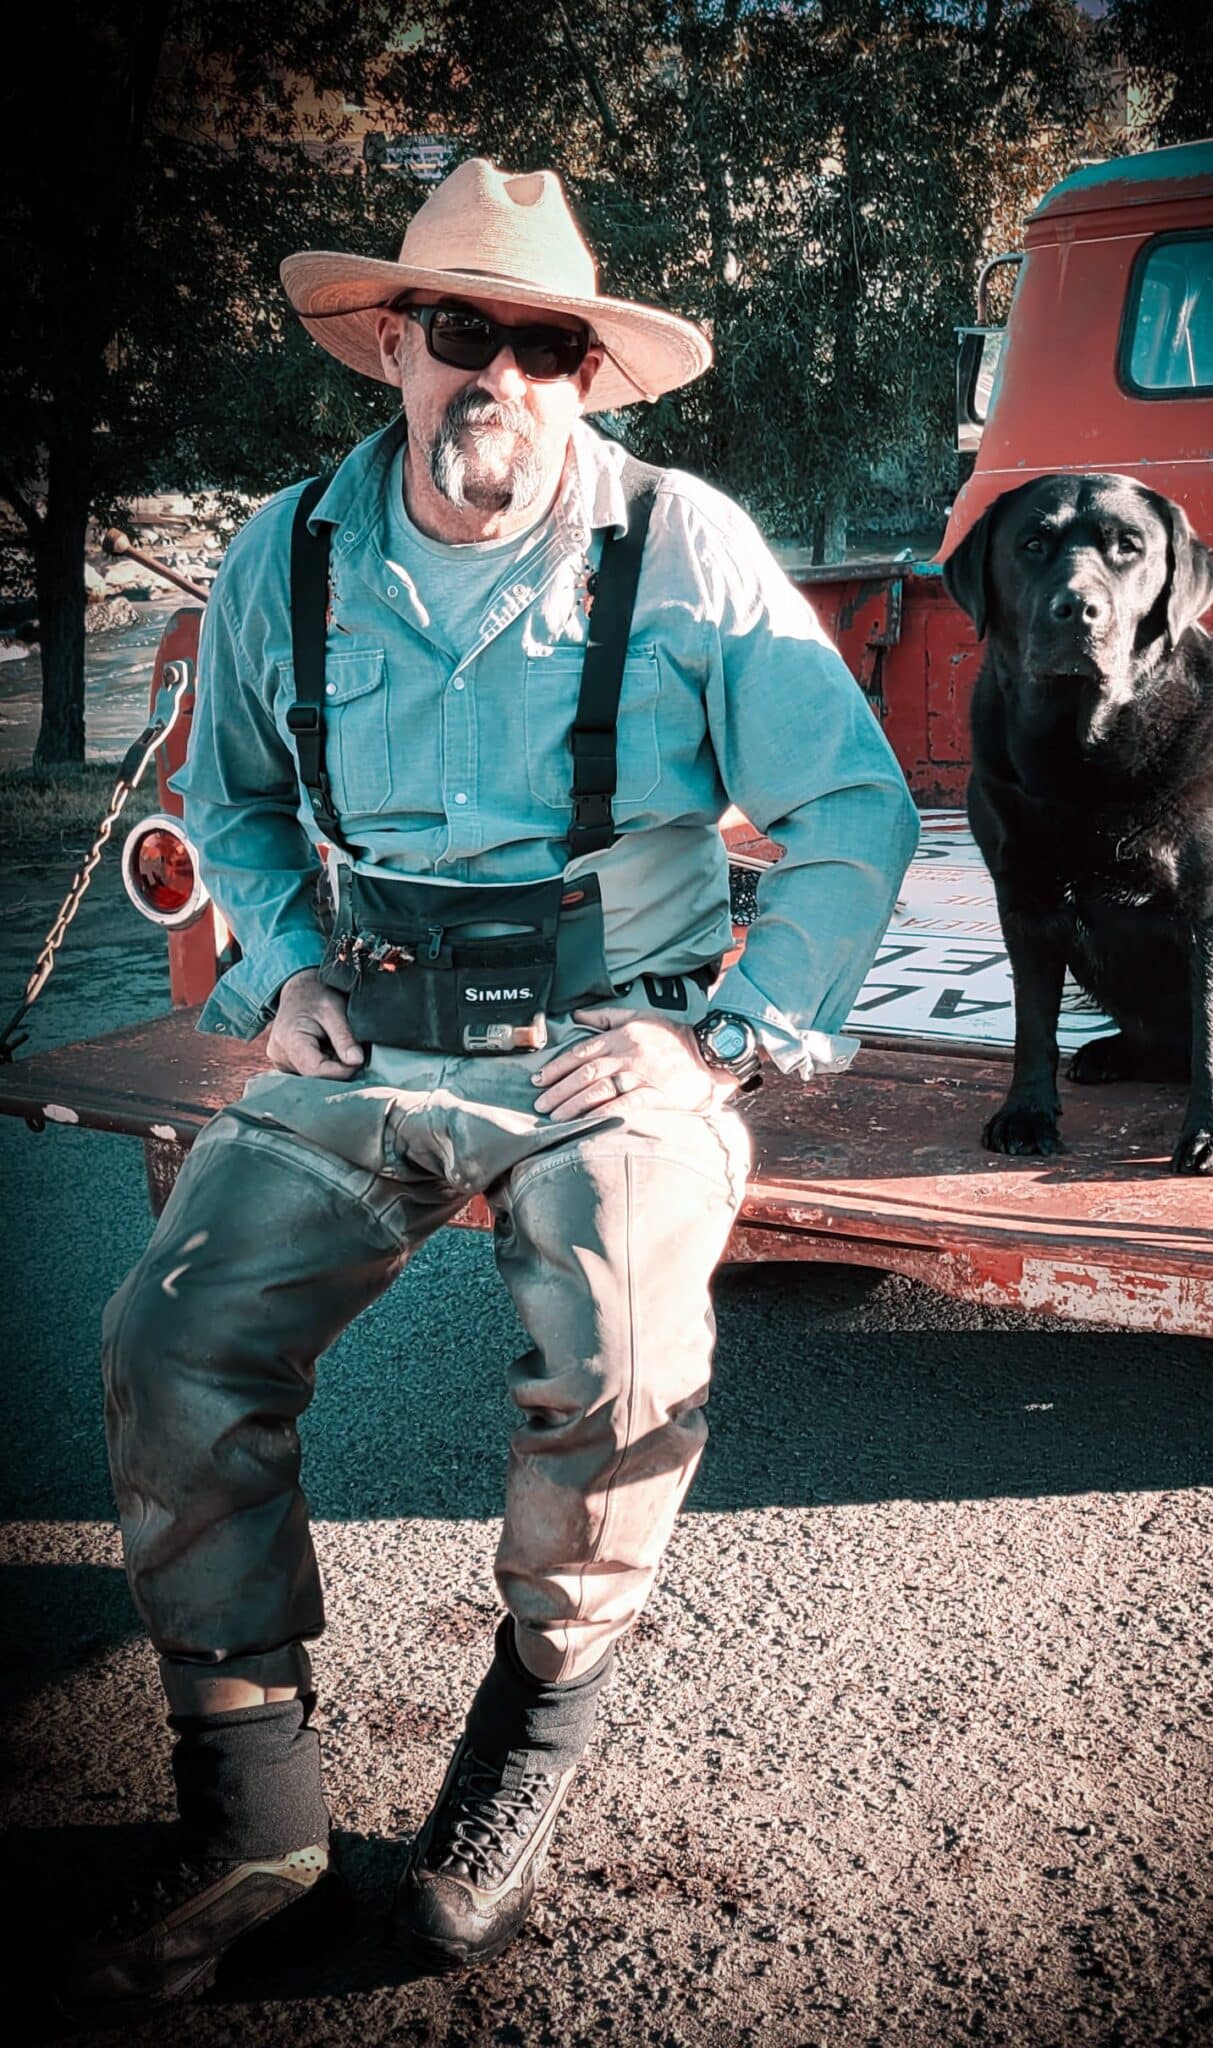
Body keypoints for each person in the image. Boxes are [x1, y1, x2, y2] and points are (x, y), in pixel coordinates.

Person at [75, 159, 919, 2014]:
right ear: (395, 342)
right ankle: (253, 1809)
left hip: (611, 1039)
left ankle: (515, 1767)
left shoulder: (682, 543)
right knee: (171, 1339)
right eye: (465, 334)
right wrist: (286, 967)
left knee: (618, 1368)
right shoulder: (282, 550)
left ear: (587, 375)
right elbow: (229, 800)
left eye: (547, 346)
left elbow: (856, 808)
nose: (502, 382)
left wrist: (721, 1032)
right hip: (365, 1034)